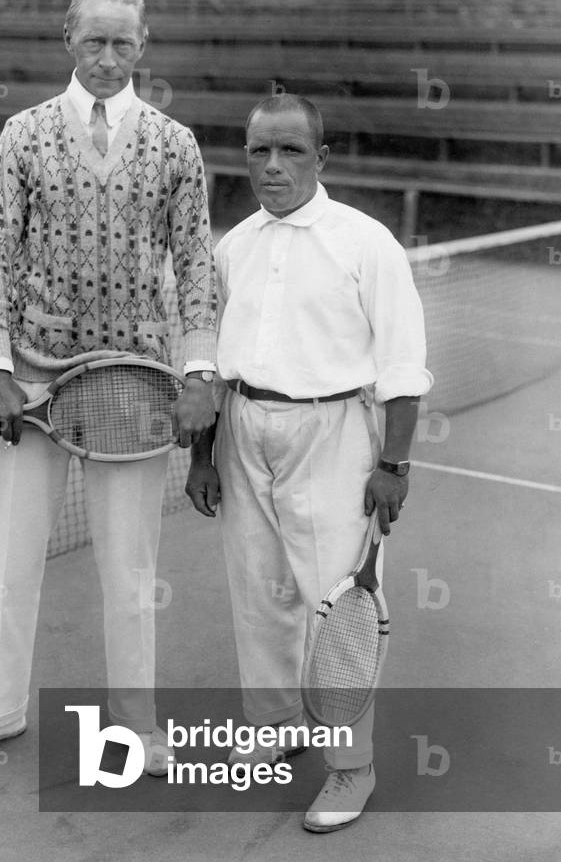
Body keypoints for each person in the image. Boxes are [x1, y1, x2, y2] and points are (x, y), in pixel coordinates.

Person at [0, 0, 217, 773]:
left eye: (123, 43)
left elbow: (196, 262)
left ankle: (135, 729)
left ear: (143, 46)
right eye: (93, 40)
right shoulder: (22, 135)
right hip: (31, 378)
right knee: (12, 561)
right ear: (67, 40)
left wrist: (200, 366)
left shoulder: (175, 144)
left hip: (134, 380)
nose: (107, 57)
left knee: (131, 574)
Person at [186, 93, 432, 831]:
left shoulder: (366, 243)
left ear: (320, 158)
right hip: (241, 431)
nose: (272, 166)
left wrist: (394, 463)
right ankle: (275, 726)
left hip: (335, 436)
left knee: (338, 612)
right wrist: (203, 455)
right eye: (259, 150)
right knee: (260, 597)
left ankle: (351, 766)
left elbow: (402, 365)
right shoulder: (233, 247)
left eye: (290, 150)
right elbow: (213, 364)